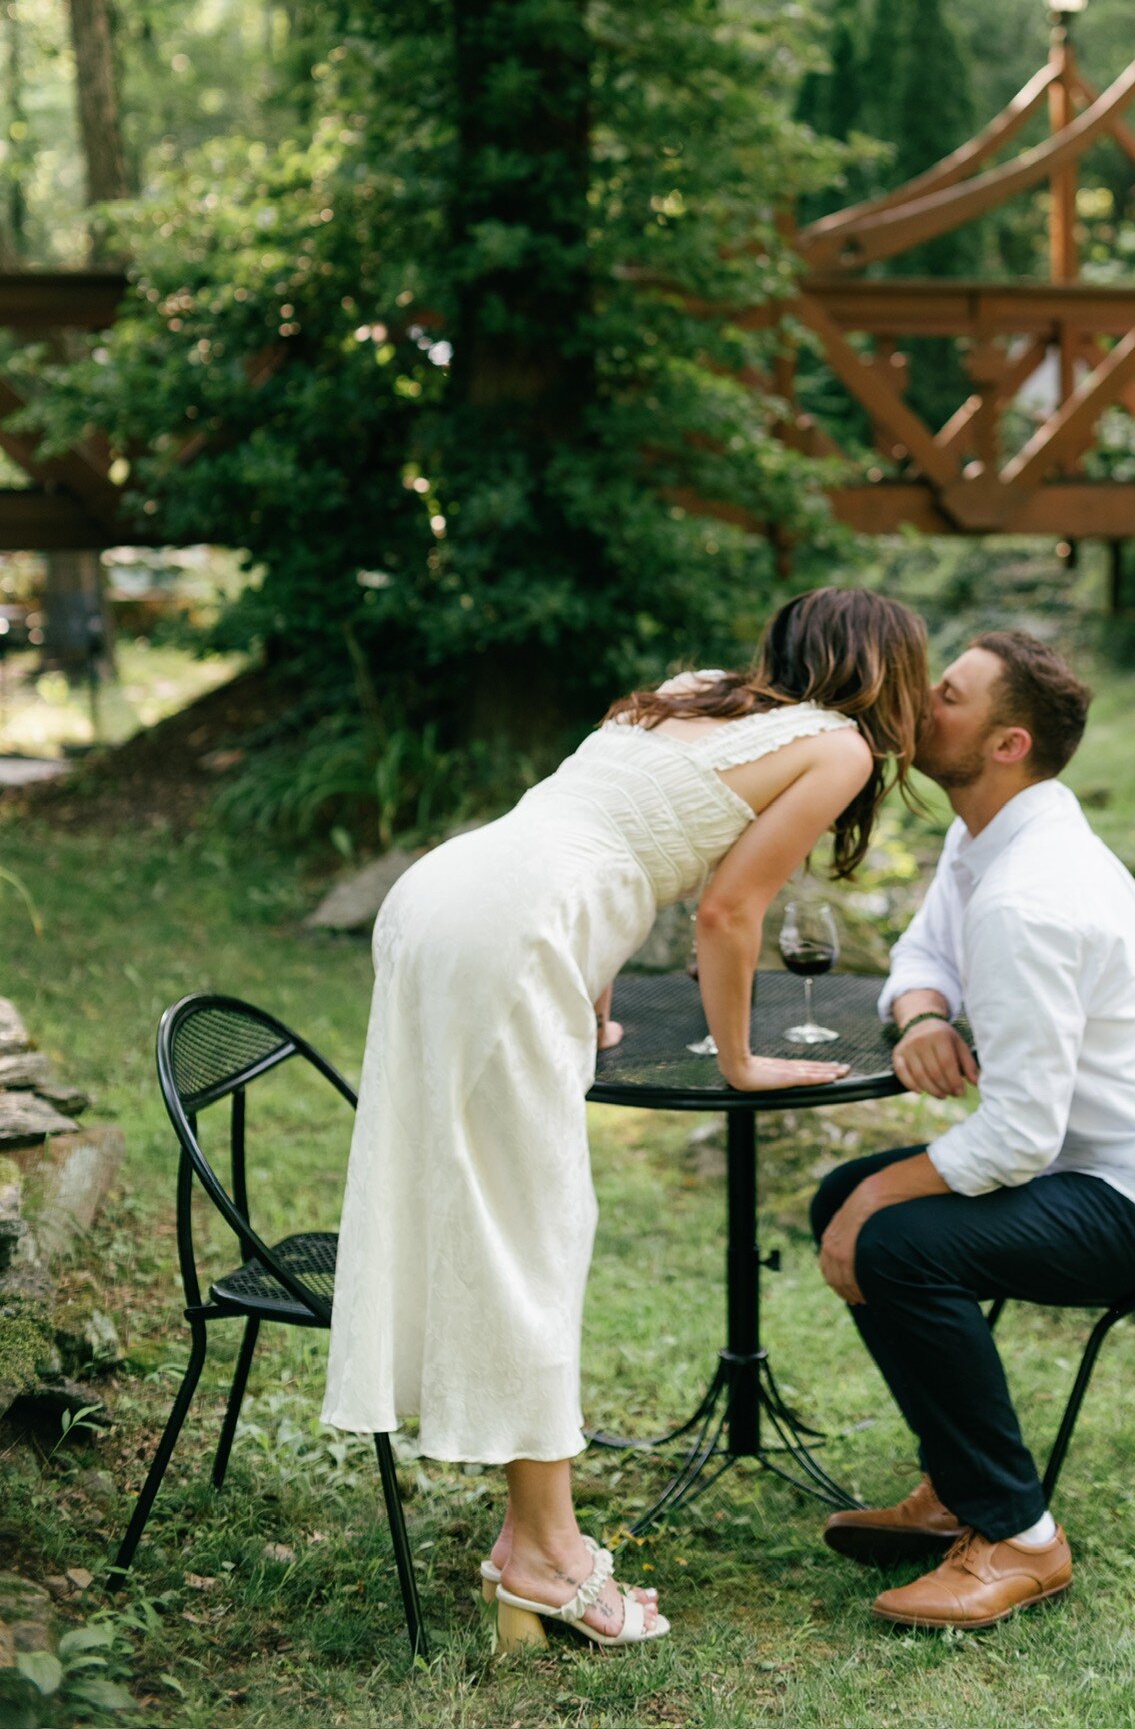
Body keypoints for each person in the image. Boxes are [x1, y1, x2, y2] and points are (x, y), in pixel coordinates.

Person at [322, 587, 928, 1649]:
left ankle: (532, 1545)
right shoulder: (835, 746)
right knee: (534, 1229)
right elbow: (726, 907)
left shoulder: (689, 693)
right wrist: (739, 1061)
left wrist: (591, 1000)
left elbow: (601, 831)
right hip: (514, 929)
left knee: (506, 1212)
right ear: (887, 676)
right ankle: (547, 1559)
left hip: (448, 891)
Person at [810, 630, 1135, 1631]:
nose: (919, 700)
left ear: (1006, 742)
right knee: (840, 1197)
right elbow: (925, 946)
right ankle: (960, 1486)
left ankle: (1020, 1534)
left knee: (886, 1230)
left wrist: (882, 1198)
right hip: (1086, 1165)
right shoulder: (989, 836)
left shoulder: (1030, 892)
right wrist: (923, 1010)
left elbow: (1014, 1137)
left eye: (949, 695)